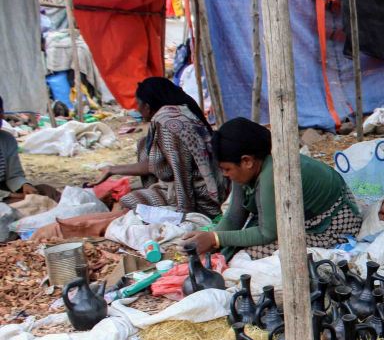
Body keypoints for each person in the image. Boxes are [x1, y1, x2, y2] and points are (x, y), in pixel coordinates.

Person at [183, 118, 362, 259]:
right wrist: (212, 239)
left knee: (248, 254)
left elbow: (266, 233)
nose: (225, 175)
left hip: (330, 225)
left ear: (247, 161)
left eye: (227, 169)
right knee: (229, 247)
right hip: (300, 218)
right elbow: (234, 216)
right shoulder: (249, 169)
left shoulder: (274, 174)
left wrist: (215, 239)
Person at [94, 77, 227, 217]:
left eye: (138, 103)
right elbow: (156, 163)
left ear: (147, 106)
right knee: (143, 144)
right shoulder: (180, 112)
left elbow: (181, 172)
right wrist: (112, 170)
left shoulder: (168, 125)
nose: (136, 108)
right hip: (196, 187)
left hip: (200, 197)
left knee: (128, 201)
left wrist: (185, 215)